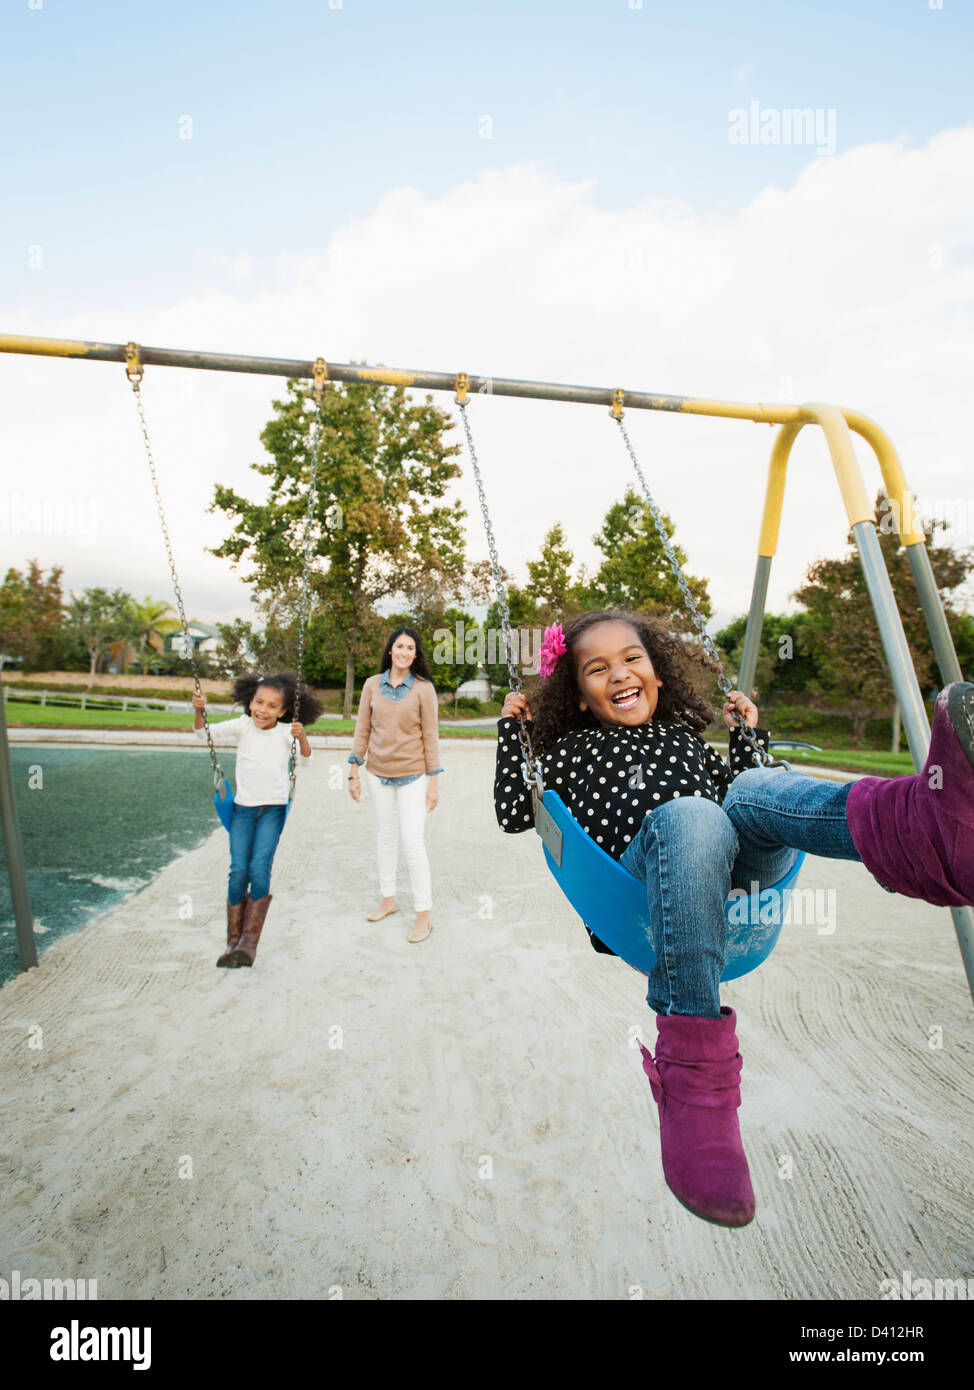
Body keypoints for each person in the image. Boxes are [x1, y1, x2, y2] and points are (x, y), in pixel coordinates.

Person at [494, 607, 974, 1228]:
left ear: (659, 674)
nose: (619, 673)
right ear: (579, 696)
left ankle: (926, 833)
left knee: (751, 789)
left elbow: (750, 807)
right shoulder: (569, 752)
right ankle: (696, 1083)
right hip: (643, 898)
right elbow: (514, 810)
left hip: (735, 893)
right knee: (692, 816)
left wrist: (749, 738)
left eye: (632, 658)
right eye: (597, 668)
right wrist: (514, 733)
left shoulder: (688, 741)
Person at [193, 672, 322, 969]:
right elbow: (203, 733)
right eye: (259, 702)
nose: (263, 710)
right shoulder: (242, 727)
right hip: (243, 810)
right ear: (250, 702)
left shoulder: (286, 732)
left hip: (273, 810)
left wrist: (302, 737)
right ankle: (232, 942)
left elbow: (307, 761)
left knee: (259, 869)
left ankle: (249, 944)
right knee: (239, 870)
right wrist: (199, 710)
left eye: (272, 706)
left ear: (283, 711)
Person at [348, 626, 442, 943]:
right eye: (399, 646)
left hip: (413, 774)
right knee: (385, 837)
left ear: (415, 655)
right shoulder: (372, 685)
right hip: (377, 773)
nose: (403, 652)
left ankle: (423, 915)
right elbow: (362, 729)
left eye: (410, 648)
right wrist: (353, 770)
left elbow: (431, 736)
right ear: (390, 650)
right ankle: (387, 901)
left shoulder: (423, 689)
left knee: (412, 840)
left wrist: (433, 782)